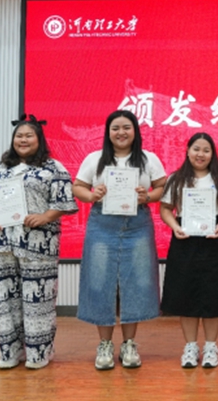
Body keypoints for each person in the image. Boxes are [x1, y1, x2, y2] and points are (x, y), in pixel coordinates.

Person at [0, 114, 78, 370]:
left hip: (39, 244)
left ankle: (39, 353)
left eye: (29, 135)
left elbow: (64, 202)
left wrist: (45, 217)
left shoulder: (53, 168)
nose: (23, 139)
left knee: (38, 299)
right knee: (7, 298)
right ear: (13, 140)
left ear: (39, 139)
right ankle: (10, 351)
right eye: (19, 136)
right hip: (4, 243)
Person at [73, 110, 166, 370]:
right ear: (108, 132)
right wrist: (92, 195)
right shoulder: (95, 158)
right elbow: (78, 186)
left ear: (135, 131)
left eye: (126, 127)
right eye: (115, 128)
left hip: (138, 225)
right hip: (102, 224)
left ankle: (129, 344)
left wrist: (148, 196)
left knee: (135, 282)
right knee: (99, 281)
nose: (121, 132)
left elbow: (162, 186)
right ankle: (104, 345)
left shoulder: (148, 159)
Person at [160, 132, 218, 369]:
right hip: (185, 240)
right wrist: (175, 227)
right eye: (196, 149)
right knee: (187, 294)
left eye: (206, 150)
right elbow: (165, 209)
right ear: (187, 151)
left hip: (214, 239)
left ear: (212, 154)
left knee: (214, 294)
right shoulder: (176, 178)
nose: (200, 154)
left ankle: (211, 347)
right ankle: (190, 347)